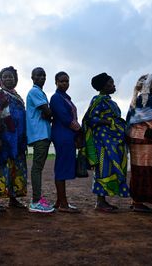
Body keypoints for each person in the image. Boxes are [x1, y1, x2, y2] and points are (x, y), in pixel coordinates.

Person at [83, 73, 129, 212]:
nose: (114, 85)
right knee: (103, 168)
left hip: (114, 141)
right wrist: (109, 122)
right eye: (110, 82)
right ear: (103, 86)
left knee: (111, 168)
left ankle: (104, 201)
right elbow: (90, 119)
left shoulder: (110, 102)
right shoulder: (98, 100)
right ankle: (100, 202)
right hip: (103, 141)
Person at [126, 74, 152, 213]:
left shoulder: (135, 101)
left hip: (137, 140)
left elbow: (130, 121)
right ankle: (138, 202)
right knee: (146, 170)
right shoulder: (146, 101)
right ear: (149, 87)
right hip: (146, 141)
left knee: (138, 170)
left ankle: (136, 200)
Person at [0, 66, 27, 212]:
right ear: (0, 80)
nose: (8, 78)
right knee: (1, 167)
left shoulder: (18, 97)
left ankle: (13, 198)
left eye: (11, 76)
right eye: (5, 77)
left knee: (16, 168)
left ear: (15, 79)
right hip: (3, 139)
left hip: (17, 139)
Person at [49, 71, 80, 213]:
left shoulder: (65, 97)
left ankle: (59, 201)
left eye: (67, 81)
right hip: (62, 134)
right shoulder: (56, 98)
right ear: (56, 82)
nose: (64, 83)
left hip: (67, 134)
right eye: (61, 81)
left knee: (62, 165)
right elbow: (65, 118)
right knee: (61, 167)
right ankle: (64, 204)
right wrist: (80, 130)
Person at [26, 67, 54, 213]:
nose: (42, 77)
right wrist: (49, 113)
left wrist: (48, 114)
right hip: (40, 134)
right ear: (32, 77)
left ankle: (37, 199)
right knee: (37, 168)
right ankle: (36, 201)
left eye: (44, 75)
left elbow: (47, 113)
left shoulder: (39, 92)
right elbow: (47, 111)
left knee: (38, 167)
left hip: (42, 133)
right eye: (38, 75)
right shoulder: (35, 91)